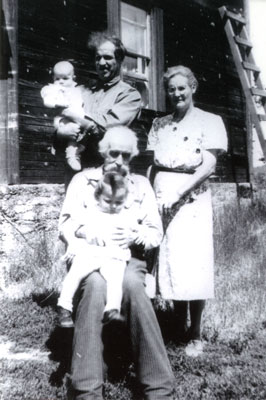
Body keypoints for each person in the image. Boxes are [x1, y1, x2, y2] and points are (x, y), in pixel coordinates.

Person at [59, 126, 174, 399]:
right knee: (96, 286)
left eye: (126, 155)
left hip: (126, 257)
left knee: (133, 284)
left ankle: (159, 388)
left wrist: (135, 234)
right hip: (90, 255)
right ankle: (87, 390)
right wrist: (85, 232)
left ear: (132, 156)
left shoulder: (141, 186)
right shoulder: (83, 181)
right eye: (114, 154)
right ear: (103, 152)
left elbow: (155, 233)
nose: (119, 161)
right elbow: (66, 224)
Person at [146, 65, 228, 357]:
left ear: (193, 87)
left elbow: (208, 165)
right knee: (170, 262)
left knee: (194, 263)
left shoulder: (210, 121)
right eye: (171, 89)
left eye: (182, 88)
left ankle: (196, 333)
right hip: (161, 198)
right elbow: (153, 165)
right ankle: (178, 324)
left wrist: (178, 193)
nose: (177, 94)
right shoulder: (159, 124)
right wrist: (148, 196)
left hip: (191, 198)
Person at [57, 171, 145, 328]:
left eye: (118, 202)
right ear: (98, 197)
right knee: (75, 274)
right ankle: (64, 306)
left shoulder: (125, 215)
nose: (112, 206)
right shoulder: (90, 211)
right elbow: (72, 226)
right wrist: (74, 243)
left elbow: (138, 229)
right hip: (90, 253)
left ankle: (112, 310)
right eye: (107, 201)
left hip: (114, 256)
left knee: (115, 280)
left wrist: (134, 235)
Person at [54, 33, 141, 184]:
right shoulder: (82, 90)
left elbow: (108, 127)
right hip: (75, 173)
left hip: (108, 175)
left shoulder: (129, 95)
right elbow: (59, 117)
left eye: (107, 57)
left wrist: (76, 117)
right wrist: (61, 133)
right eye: (97, 58)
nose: (101, 63)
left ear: (119, 60)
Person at [41, 61, 86, 171]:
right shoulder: (52, 89)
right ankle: (71, 155)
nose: (61, 82)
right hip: (62, 118)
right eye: (57, 79)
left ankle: (77, 149)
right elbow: (47, 101)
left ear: (73, 78)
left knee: (80, 132)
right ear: (53, 78)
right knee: (71, 131)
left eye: (65, 78)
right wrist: (57, 103)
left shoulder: (77, 90)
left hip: (77, 118)